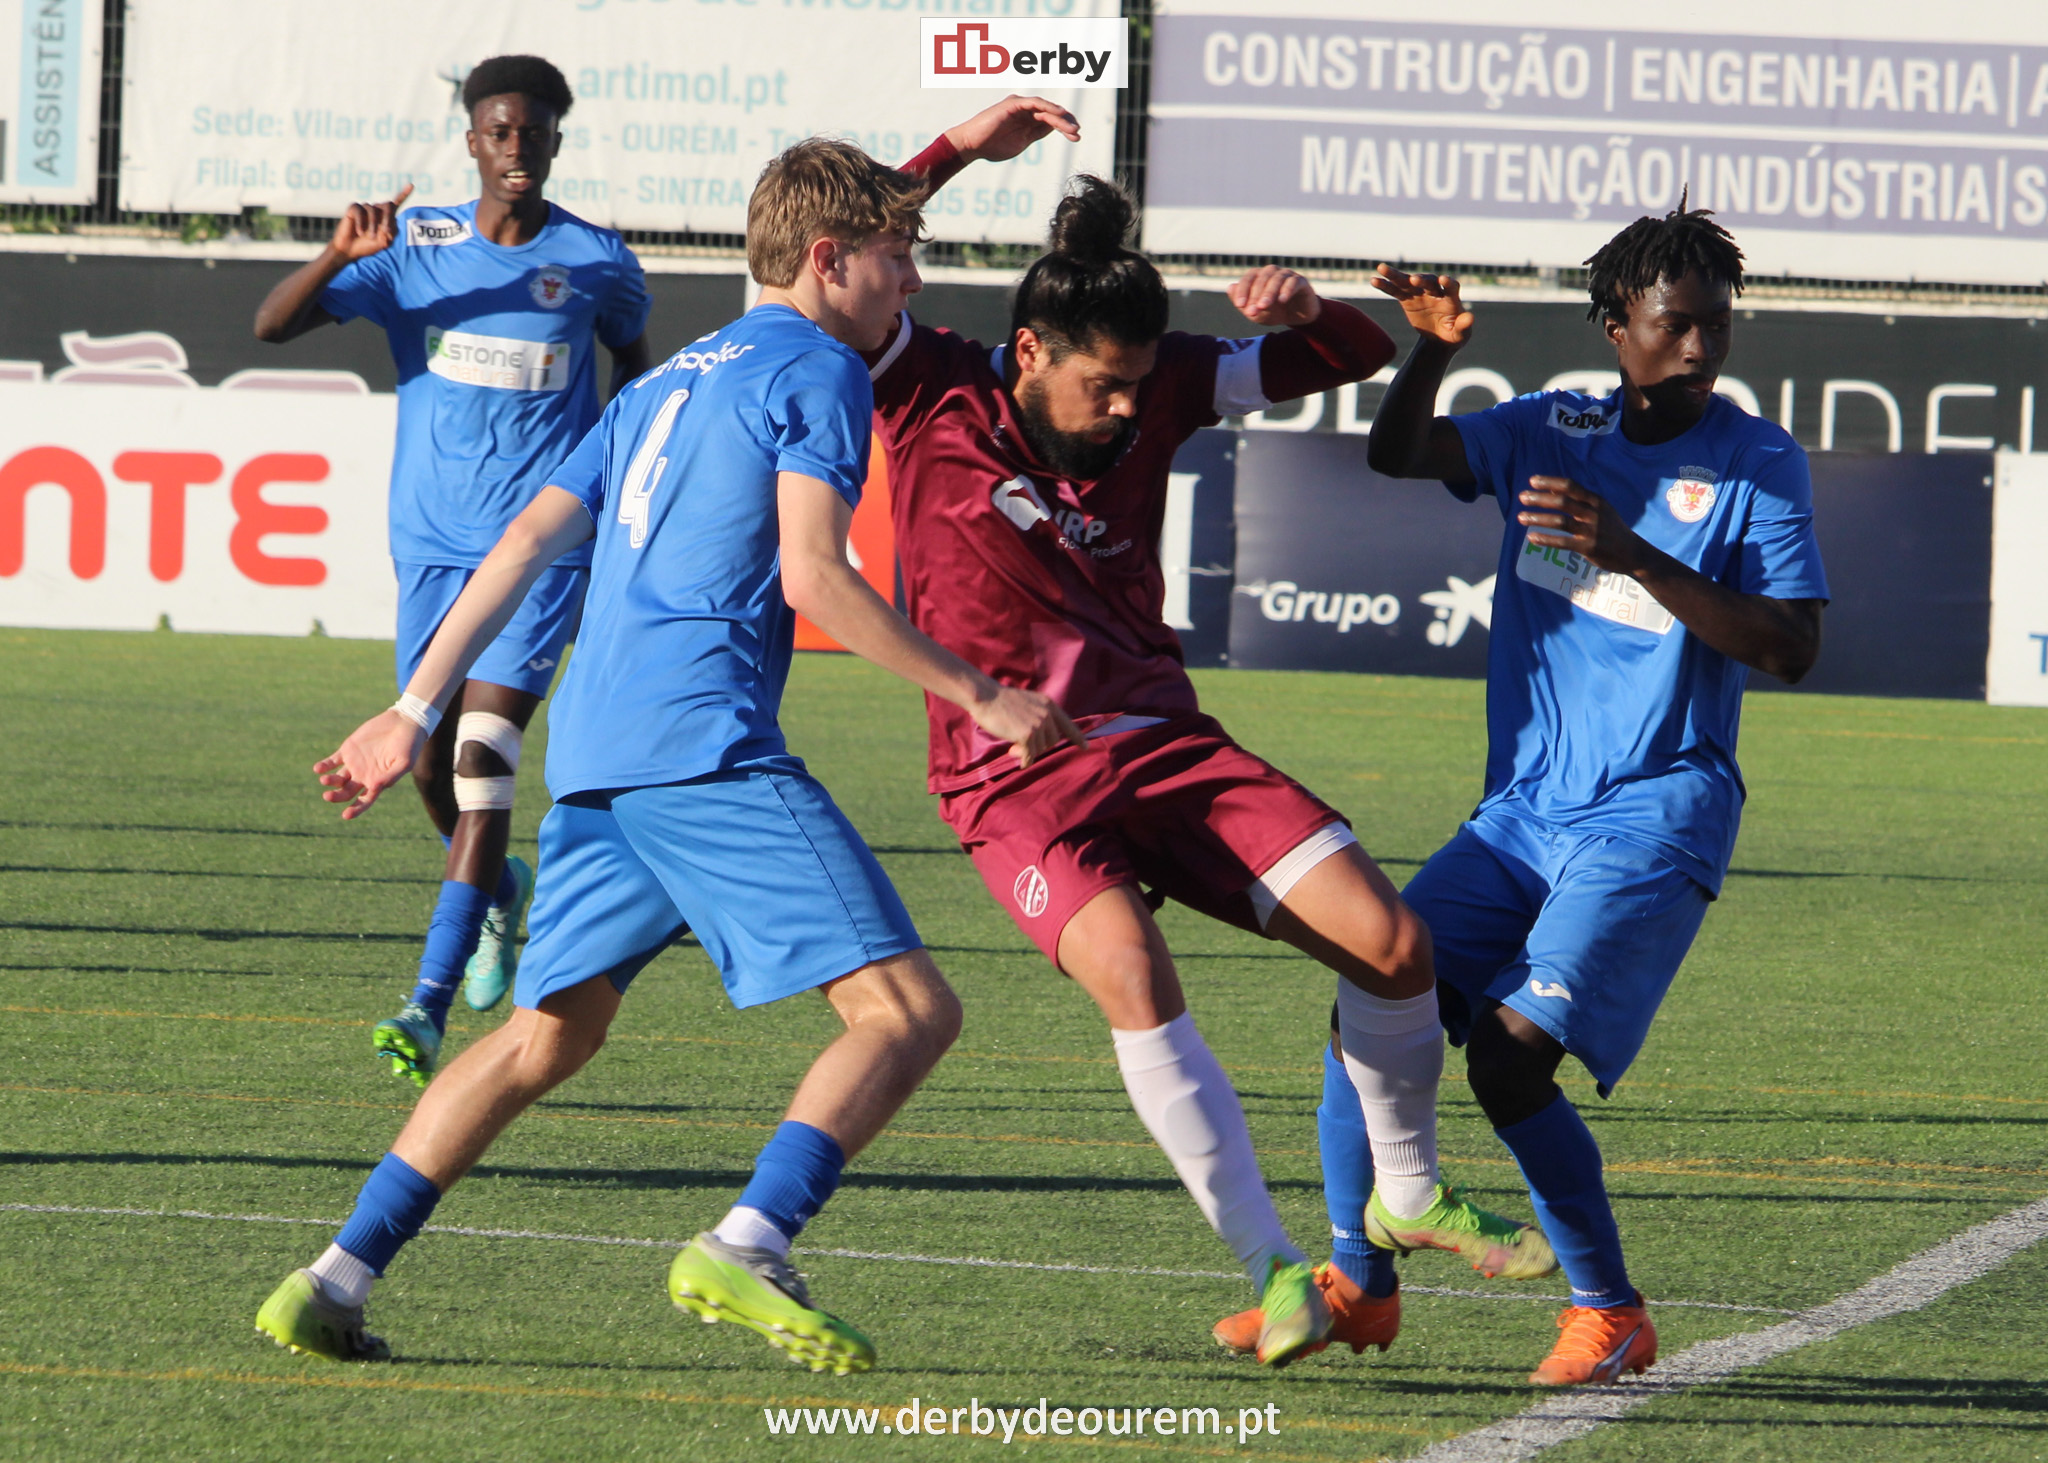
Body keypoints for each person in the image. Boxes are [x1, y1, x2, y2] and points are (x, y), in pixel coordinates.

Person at [254, 136, 1078, 1373]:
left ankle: (333, 1273)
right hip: (703, 744)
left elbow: (528, 538)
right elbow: (815, 576)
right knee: (907, 1009)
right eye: (899, 257)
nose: (910, 281)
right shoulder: (817, 369)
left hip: (593, 748)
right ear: (827, 256)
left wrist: (412, 708)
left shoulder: (663, 381)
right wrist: (981, 694)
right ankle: (748, 1242)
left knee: (543, 1034)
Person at [869, 101, 1557, 1369]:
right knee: (1131, 968)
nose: (1130, 409)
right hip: (1009, 771)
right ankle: (1272, 1267)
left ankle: (1404, 1190)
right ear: (1026, 350)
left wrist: (1300, 316)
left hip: (1165, 744)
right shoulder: (925, 390)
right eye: (1102, 386)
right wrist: (959, 149)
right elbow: (841, 240)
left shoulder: (1170, 381)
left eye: (1140, 383)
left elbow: (1345, 352)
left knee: (1396, 947)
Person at [1297, 204, 1827, 1384]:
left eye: (1713, 326)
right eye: (1674, 324)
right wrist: (1427, 345)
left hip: (1654, 806)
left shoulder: (1757, 461)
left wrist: (1633, 547)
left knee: (1505, 1055)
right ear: (1613, 327)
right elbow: (1396, 453)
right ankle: (1358, 1283)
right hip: (1521, 811)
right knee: (1369, 999)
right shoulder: (1548, 427)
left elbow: (1787, 647)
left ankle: (1609, 1309)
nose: (1698, 347)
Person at [254, 55, 653, 1085]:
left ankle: (425, 1005)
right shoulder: (415, 248)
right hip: (430, 549)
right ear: (472, 139)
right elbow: (274, 324)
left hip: (540, 556)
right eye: (499, 131)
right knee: (425, 762)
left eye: (534, 132)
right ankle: (495, 897)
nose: (516, 148)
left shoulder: (597, 260)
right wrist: (336, 251)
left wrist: (607, 480)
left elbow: (635, 362)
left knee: (482, 762)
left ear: (558, 140)